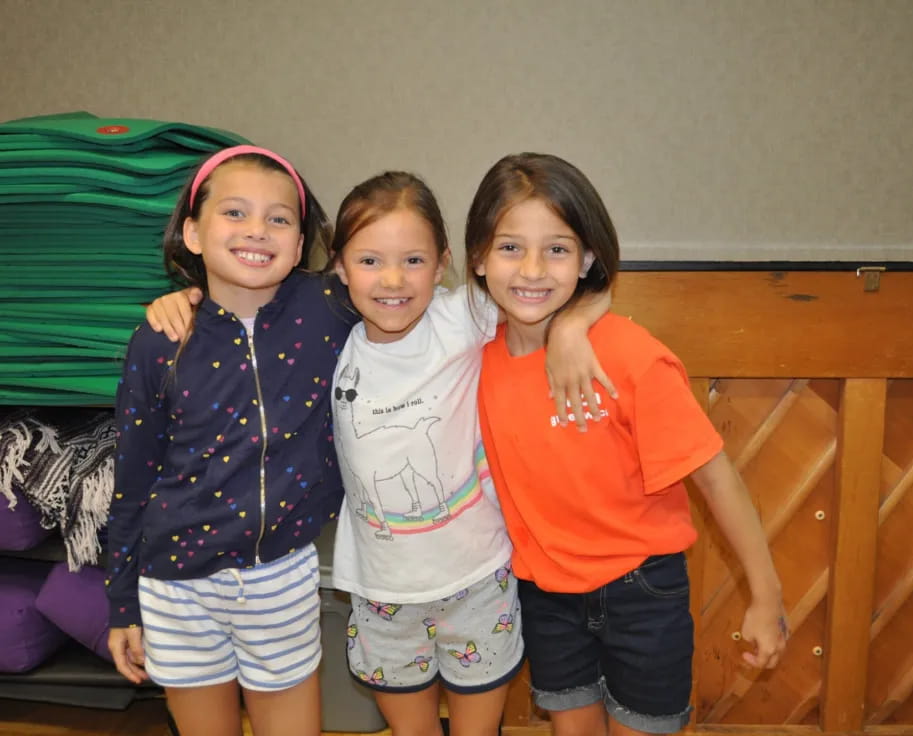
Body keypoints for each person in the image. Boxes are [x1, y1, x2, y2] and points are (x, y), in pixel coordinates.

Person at [144, 169, 612, 736]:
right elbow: (245, 305)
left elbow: (568, 286)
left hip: (479, 581)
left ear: (443, 263)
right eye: (369, 262)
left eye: (414, 261)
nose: (393, 280)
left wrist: (571, 330)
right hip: (380, 594)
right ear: (339, 267)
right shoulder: (324, 332)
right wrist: (186, 297)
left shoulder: (464, 315)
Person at [466, 153, 789, 736]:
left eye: (557, 249)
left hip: (644, 592)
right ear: (478, 257)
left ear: (587, 257)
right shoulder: (473, 360)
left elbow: (717, 478)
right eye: (510, 247)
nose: (532, 269)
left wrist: (766, 596)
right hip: (545, 593)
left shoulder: (629, 355)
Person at [106, 145, 356, 736]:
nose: (257, 231)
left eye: (279, 218)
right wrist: (122, 603)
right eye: (235, 213)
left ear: (300, 245)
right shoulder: (161, 337)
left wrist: (577, 320)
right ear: (193, 233)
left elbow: (424, 294)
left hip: (281, 575)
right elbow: (132, 480)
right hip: (175, 586)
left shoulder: (329, 309)